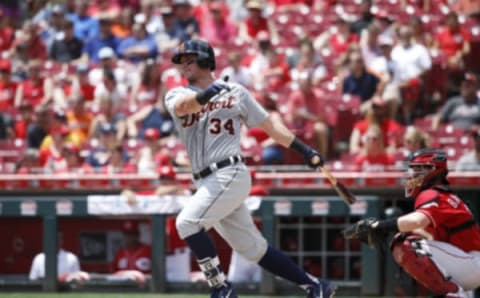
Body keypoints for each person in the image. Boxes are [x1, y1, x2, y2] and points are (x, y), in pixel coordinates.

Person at [164, 39, 334, 298]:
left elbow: (270, 127)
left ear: (206, 61)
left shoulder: (235, 92)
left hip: (229, 172)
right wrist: (206, 95)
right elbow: (184, 106)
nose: (184, 65)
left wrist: (304, 150)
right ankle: (314, 285)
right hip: (205, 180)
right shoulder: (176, 94)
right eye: (181, 62)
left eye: (190, 59)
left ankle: (221, 288)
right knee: (252, 248)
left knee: (187, 223)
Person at [347, 149, 480, 297]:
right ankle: (455, 293)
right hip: (467, 263)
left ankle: (453, 294)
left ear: (433, 170)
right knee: (410, 239)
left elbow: (418, 220)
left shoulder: (432, 193)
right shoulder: (443, 193)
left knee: (408, 245)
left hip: (471, 263)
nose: (412, 174)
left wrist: (380, 225)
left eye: (418, 169)